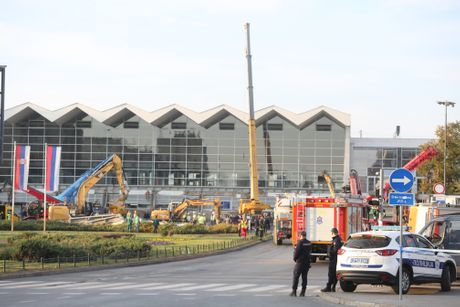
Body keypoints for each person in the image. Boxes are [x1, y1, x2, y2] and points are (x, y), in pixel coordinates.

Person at [321, 227, 343, 292]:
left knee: (331, 274)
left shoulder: (336, 240)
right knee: (333, 274)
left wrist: (330, 251)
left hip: (334, 260)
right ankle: (333, 287)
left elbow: (335, 250)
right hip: (335, 259)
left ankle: (329, 287)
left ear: (333, 233)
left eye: (331, 233)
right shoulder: (337, 239)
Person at [290, 231, 311, 297]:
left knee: (296, 276)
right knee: (304, 277)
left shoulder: (300, 242)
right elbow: (310, 252)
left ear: (301, 235)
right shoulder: (309, 243)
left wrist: (295, 259)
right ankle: (303, 292)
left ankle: (294, 291)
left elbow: (297, 252)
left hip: (300, 263)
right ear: (305, 235)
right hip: (307, 263)